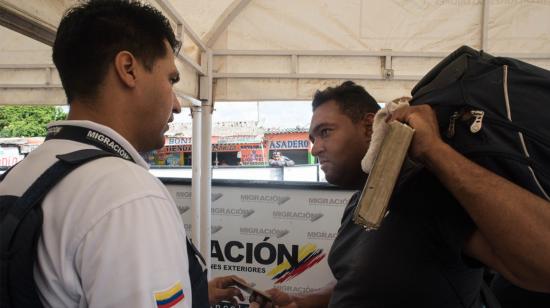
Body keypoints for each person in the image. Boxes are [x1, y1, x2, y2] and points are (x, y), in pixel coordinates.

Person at [0, 1, 243, 307]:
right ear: (128, 69)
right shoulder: (128, 194)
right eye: (171, 80)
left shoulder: (21, 175)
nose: (178, 104)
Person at [251, 81, 486, 307]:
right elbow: (359, 284)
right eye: (313, 138)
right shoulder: (360, 201)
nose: (315, 148)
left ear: (368, 126)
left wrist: (434, 150)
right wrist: (300, 303)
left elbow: (522, 265)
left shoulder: (425, 190)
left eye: (325, 132)